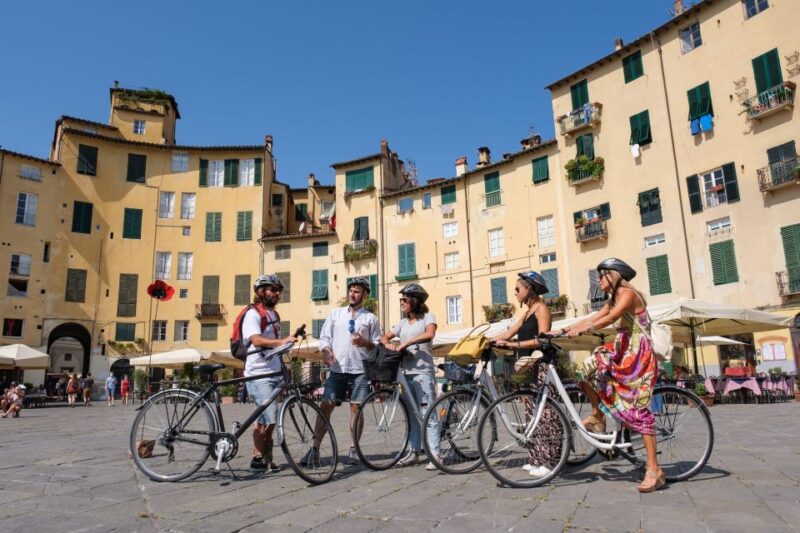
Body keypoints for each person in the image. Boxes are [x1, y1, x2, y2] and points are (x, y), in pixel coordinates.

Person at [552, 258, 663, 493]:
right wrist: (561, 330)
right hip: (622, 351)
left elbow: (610, 319)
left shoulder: (628, 294)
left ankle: (654, 470)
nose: (598, 281)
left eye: (601, 276)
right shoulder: (612, 298)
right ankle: (598, 415)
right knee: (582, 371)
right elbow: (593, 317)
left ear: (614, 275)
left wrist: (584, 330)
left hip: (638, 356)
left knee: (639, 410)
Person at [492, 271, 559, 478]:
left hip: (541, 366)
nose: (515, 293)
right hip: (528, 367)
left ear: (529, 289)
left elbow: (542, 340)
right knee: (532, 414)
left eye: (517, 289)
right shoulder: (528, 312)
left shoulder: (542, 310)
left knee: (546, 414)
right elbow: (510, 331)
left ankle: (550, 461)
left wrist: (513, 344)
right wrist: (488, 340)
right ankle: (536, 458)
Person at [309, 277, 380, 465]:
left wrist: (365, 343)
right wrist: (326, 352)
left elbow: (377, 346)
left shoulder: (370, 318)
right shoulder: (335, 314)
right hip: (337, 369)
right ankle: (315, 448)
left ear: (365, 294)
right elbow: (324, 338)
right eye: (351, 290)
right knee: (326, 405)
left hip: (360, 370)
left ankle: (354, 448)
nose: (352, 294)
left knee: (356, 409)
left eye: (357, 291)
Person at [381, 284, 440, 470]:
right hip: (405, 374)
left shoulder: (428, 318)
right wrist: (389, 345)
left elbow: (429, 334)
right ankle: (413, 452)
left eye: (405, 299)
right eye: (401, 300)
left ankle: (435, 454)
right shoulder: (402, 323)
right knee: (413, 415)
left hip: (423, 373)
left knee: (428, 413)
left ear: (415, 301)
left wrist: (406, 343)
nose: (402, 302)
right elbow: (384, 337)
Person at [243, 274, 297, 472]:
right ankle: (260, 457)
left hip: (274, 372)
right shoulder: (253, 314)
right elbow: (256, 340)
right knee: (271, 416)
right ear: (260, 292)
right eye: (273, 290)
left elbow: (272, 344)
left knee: (265, 419)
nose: (277, 294)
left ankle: (261, 459)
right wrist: (282, 341)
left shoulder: (274, 315)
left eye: (279, 291)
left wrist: (285, 346)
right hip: (258, 374)